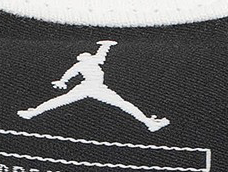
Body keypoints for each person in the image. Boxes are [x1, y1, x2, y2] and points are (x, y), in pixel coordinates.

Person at [17, 40, 170, 132]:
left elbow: (97, 57)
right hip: (90, 87)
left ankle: (149, 122)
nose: (90, 57)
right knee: (123, 104)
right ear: (84, 58)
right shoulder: (84, 64)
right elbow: (72, 72)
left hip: (95, 87)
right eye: (87, 56)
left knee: (123, 104)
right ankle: (149, 122)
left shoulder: (90, 63)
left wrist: (63, 81)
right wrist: (63, 81)